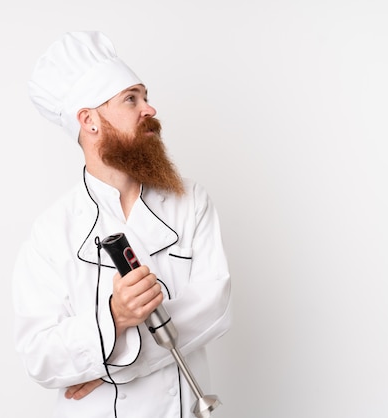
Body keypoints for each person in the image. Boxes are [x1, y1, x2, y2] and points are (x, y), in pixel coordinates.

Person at [13, 31, 231, 418]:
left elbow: (212, 307)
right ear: (89, 121)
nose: (149, 109)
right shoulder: (52, 231)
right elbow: (40, 356)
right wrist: (114, 316)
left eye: (145, 96)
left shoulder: (191, 201)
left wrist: (113, 364)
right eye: (132, 99)